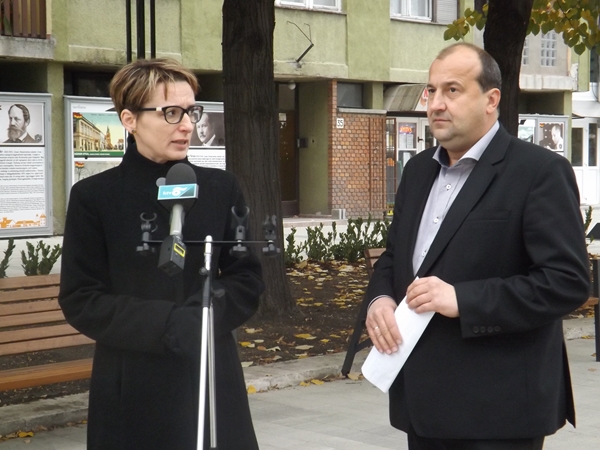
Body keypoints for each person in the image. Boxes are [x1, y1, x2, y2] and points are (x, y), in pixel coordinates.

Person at [365, 43, 590, 450]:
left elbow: (567, 282)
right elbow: (396, 255)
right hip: (422, 406)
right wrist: (380, 299)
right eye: (431, 90)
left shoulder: (538, 172)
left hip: (499, 411)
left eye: (452, 90)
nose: (436, 103)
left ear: (491, 100)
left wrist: (463, 299)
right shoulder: (417, 171)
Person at [58, 58, 264, 450]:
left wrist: (204, 317)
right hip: (132, 381)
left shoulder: (220, 188)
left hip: (209, 373)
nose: (186, 125)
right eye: (171, 113)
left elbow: (247, 278)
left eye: (191, 111)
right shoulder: (94, 197)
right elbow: (81, 297)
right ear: (130, 119)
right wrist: (167, 325)